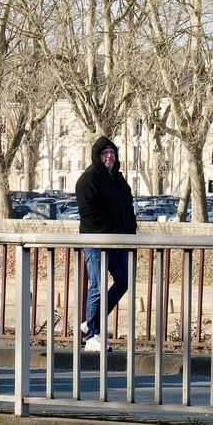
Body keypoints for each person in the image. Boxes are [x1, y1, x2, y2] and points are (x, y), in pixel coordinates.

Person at [75, 136, 137, 352]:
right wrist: (106, 234)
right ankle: (92, 335)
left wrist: (131, 235)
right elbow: (88, 212)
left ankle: (91, 320)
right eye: (104, 153)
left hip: (120, 243)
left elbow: (128, 209)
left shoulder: (119, 179)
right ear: (97, 156)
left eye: (112, 153)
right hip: (97, 241)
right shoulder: (88, 179)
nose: (109, 156)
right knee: (97, 285)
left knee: (123, 281)